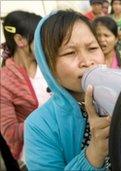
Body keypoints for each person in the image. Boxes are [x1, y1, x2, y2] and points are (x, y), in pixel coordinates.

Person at [24, 10, 110, 170]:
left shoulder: (120, 95)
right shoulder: (38, 126)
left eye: (92, 48)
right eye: (70, 52)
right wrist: (95, 152)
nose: (87, 61)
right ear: (48, 66)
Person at [0, 10, 50, 162]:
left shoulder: (48, 65)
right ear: (20, 40)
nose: (45, 43)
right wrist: (53, 120)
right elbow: (10, 132)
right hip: (36, 154)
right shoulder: (4, 81)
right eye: (40, 38)